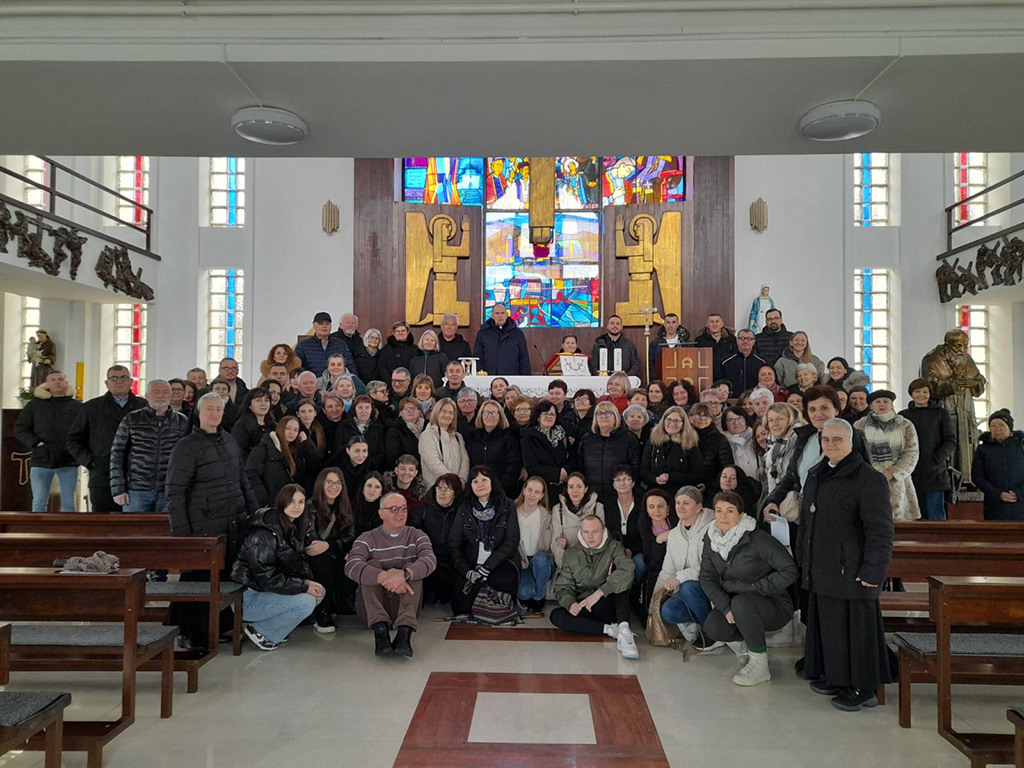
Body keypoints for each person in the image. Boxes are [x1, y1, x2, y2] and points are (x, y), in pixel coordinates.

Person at [799, 419, 894, 711]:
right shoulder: (817, 473)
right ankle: (838, 677)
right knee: (831, 628)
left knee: (857, 631)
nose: (830, 445)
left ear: (851, 442)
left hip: (853, 570)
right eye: (826, 440)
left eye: (837, 440)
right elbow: (808, 522)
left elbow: (880, 531)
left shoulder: (868, 479)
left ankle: (864, 687)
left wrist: (873, 571)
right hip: (823, 567)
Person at [166, 392, 258, 651]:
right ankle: (188, 632)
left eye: (218, 409)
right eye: (209, 409)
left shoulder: (229, 440)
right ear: (199, 412)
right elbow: (175, 492)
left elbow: (242, 480)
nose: (214, 413)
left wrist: (254, 512)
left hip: (232, 521)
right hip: (202, 526)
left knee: (224, 576)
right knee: (197, 579)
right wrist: (183, 534)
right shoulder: (186, 446)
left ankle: (216, 627)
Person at [699, 491, 798, 685]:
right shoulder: (711, 539)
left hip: (772, 604)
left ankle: (760, 664)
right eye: (719, 510)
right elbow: (706, 577)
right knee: (714, 627)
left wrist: (755, 587)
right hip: (737, 604)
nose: (723, 516)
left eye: (730, 510)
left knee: (742, 603)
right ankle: (749, 646)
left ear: (741, 514)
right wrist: (725, 607)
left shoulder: (757, 538)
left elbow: (789, 570)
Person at [345, 491, 437, 657]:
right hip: (371, 610)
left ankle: (404, 635)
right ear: (381, 513)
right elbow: (351, 565)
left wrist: (404, 575)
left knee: (413, 569)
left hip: (405, 607)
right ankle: (381, 633)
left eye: (403, 508)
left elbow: (430, 560)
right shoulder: (367, 538)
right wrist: (383, 576)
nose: (400, 513)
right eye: (394, 509)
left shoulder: (417, 535)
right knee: (371, 565)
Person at [232, 484, 323, 651]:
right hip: (247, 597)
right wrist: (303, 587)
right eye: (291, 501)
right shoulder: (264, 534)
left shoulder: (293, 527)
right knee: (306, 601)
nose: (297, 506)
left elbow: (300, 560)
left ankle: (273, 627)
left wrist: (306, 581)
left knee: (318, 591)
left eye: (301, 502)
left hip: (267, 591)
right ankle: (262, 632)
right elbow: (266, 578)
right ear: (281, 502)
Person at [549, 515, 639, 658]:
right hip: (586, 606)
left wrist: (600, 592)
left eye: (595, 532)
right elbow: (564, 585)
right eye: (586, 532)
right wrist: (570, 603)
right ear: (581, 532)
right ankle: (610, 630)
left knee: (621, 585)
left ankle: (624, 631)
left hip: (608, 603)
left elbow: (627, 570)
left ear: (603, 531)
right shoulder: (571, 553)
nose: (590, 537)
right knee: (556, 615)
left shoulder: (614, 547)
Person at [66, 365, 146, 512]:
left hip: (138, 477)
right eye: (114, 378)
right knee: (103, 520)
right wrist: (91, 462)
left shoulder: (144, 406)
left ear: (131, 381)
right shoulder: (91, 407)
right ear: (106, 383)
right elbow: (74, 439)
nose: (119, 381)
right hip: (102, 475)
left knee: (135, 522)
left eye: (123, 378)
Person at [448, 465, 522, 617]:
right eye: (475, 481)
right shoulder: (464, 508)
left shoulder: (507, 505)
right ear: (470, 486)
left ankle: (486, 598)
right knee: (459, 607)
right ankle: (484, 600)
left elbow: (512, 540)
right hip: (471, 563)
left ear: (492, 482)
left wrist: (487, 567)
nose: (480, 484)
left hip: (500, 563)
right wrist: (467, 571)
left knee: (500, 582)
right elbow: (454, 545)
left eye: (484, 480)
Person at [109, 380, 189, 513]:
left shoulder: (182, 422)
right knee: (134, 526)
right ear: (146, 396)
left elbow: (188, 458)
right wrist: (118, 489)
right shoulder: (132, 419)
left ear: (170, 395)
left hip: (169, 491)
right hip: (137, 490)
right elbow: (117, 454)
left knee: (168, 527)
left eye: (165, 392)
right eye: (155, 392)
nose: (160, 396)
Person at [15, 369, 82, 512]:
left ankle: (68, 527)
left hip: (68, 459)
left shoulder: (77, 406)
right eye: (53, 379)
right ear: (47, 384)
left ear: (66, 383)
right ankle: (37, 527)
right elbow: (21, 428)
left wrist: (77, 449)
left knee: (69, 503)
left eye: (60, 379)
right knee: (39, 502)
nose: (57, 382)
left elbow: (84, 431)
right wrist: (36, 443)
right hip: (41, 459)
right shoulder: (34, 405)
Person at [655, 486, 715, 642]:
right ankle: (708, 621)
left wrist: (680, 577)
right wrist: (654, 603)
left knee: (688, 587)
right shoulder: (674, 534)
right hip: (686, 588)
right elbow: (667, 570)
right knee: (668, 611)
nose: (680, 507)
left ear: (699, 507)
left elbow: (711, 566)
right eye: (678, 503)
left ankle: (710, 632)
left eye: (686, 503)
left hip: (710, 585)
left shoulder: (712, 528)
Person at [853, 390, 921, 522]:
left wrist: (893, 472)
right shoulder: (859, 425)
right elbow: (858, 452)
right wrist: (877, 472)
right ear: (871, 406)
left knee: (900, 523)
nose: (882, 404)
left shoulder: (905, 424)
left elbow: (912, 451)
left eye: (886, 401)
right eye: (877, 402)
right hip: (870, 477)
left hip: (899, 479)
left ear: (892, 405)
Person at [304, 468, 356, 632]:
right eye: (329, 482)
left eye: (338, 483)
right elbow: (311, 540)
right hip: (314, 555)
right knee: (323, 563)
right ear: (321, 483)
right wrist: (327, 547)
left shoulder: (345, 507)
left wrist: (329, 546)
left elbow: (350, 536)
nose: (334, 487)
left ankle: (339, 604)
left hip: (334, 551)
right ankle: (322, 612)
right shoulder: (311, 506)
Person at [246, 415, 321, 508]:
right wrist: (265, 501)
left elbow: (315, 464)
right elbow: (251, 475)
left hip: (293, 504)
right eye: (287, 428)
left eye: (295, 430)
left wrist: (307, 443)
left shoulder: (296, 450)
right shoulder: (264, 448)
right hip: (272, 505)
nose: (291, 432)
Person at [577, 401, 640, 510]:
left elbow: (635, 467)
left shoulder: (629, 439)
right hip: (592, 496)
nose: (603, 417)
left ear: (615, 416)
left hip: (619, 495)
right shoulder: (586, 439)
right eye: (599, 414)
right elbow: (580, 466)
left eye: (608, 413)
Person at [412, 475, 463, 604]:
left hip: (452, 560)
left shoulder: (462, 512)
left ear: (456, 494)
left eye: (447, 489)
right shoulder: (423, 509)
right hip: (427, 558)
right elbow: (414, 535)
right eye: (439, 488)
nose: (442, 493)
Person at [971, 410, 1024, 521]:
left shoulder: (1021, 447)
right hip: (994, 505)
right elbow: (977, 476)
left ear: (1010, 427)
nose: (997, 429)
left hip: (1020, 503)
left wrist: (1019, 493)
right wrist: (998, 494)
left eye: (1001, 425)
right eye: (993, 425)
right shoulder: (983, 449)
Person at [640, 405, 704, 498]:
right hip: (655, 492)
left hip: (681, 494)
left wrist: (671, 477)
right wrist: (654, 479)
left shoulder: (690, 443)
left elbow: (697, 474)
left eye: (676, 421)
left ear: (683, 424)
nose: (672, 423)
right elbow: (643, 469)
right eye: (669, 419)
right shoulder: (653, 441)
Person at [466, 398, 521, 497]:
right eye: (486, 413)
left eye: (494, 413)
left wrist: (497, 487)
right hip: (477, 490)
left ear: (500, 416)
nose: (490, 416)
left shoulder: (509, 437)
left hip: (502, 491)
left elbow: (513, 466)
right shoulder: (472, 436)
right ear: (481, 416)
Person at [519, 398, 570, 503]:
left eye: (552, 414)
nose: (549, 416)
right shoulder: (528, 437)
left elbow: (572, 457)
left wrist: (566, 471)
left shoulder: (562, 434)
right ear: (538, 417)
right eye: (545, 413)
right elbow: (531, 466)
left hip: (563, 488)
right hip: (541, 489)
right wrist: (557, 474)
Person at [516, 477, 555, 612]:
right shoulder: (512, 511)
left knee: (541, 558)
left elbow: (553, 540)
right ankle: (530, 591)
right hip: (523, 562)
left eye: (537, 492)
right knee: (524, 592)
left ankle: (539, 596)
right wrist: (517, 557)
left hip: (542, 561)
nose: (532, 495)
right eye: (530, 490)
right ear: (524, 490)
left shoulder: (547, 515)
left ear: (542, 495)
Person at [636, 489, 679, 609]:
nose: (656, 511)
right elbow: (651, 562)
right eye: (651, 507)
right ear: (647, 510)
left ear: (668, 508)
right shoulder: (644, 525)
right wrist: (659, 541)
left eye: (660, 506)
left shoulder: (678, 522)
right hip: (657, 569)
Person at [551, 472, 605, 567]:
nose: (575, 491)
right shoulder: (558, 510)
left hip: (591, 564)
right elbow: (556, 543)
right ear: (567, 489)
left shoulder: (597, 508)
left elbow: (602, 539)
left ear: (586, 489)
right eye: (571, 487)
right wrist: (565, 566)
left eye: (579, 486)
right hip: (567, 563)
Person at [418, 398, 470, 485]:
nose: (447, 415)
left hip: (458, 487)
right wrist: (452, 482)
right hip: (437, 487)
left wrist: (461, 481)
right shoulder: (427, 435)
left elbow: (465, 460)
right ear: (436, 412)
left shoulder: (458, 437)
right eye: (443, 411)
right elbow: (433, 463)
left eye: (451, 413)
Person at [687, 403, 734, 494]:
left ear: (712, 419)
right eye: (697, 415)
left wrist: (708, 485)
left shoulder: (719, 440)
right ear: (690, 417)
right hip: (684, 487)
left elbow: (727, 468)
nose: (702, 418)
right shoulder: (682, 437)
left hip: (711, 490)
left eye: (706, 415)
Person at [295, 312, 356, 378]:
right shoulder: (303, 346)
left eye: (327, 323)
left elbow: (351, 367)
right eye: (321, 323)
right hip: (313, 382)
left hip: (338, 382)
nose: (324, 326)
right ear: (314, 326)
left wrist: (355, 381)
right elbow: (296, 369)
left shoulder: (341, 344)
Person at [474, 303, 530, 375]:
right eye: (497, 313)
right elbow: (478, 357)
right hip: (489, 376)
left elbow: (524, 358)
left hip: (512, 377)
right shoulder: (483, 334)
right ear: (492, 316)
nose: (500, 316)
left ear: (506, 315)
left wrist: (525, 377)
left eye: (502, 313)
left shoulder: (517, 334)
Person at [608, 466, 644, 578]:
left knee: (640, 564)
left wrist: (631, 550)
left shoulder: (642, 505)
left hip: (637, 550)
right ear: (613, 485)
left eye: (626, 479)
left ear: (633, 483)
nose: (622, 483)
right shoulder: (608, 505)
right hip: (613, 551)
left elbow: (645, 534)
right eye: (618, 480)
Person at [338, 394, 385, 470]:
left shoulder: (378, 428)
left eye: (367, 407)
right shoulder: (343, 426)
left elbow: (380, 453)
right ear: (354, 409)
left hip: (371, 469)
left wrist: (369, 467)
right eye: (360, 407)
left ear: (372, 410)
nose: (364, 411)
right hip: (347, 469)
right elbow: (339, 450)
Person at [231, 387, 276, 461]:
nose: (263, 404)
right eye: (258, 400)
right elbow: (239, 455)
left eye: (266, 400)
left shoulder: (273, 426)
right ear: (249, 405)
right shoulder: (241, 427)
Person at [721, 329, 766, 396]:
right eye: (742, 338)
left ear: (754, 342)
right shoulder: (725, 362)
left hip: (754, 399)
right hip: (732, 399)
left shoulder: (762, 362)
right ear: (737, 340)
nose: (745, 341)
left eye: (749, 339)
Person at [648, 313, 692, 381]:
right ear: (664, 324)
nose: (671, 325)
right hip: (661, 381)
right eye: (668, 322)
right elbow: (651, 365)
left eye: (673, 322)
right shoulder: (655, 344)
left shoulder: (686, 343)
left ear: (678, 324)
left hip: (681, 381)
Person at [694, 313, 738, 380]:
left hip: (728, 375)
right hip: (708, 376)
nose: (714, 324)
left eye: (717, 321)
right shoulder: (700, 341)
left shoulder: (731, 339)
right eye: (711, 322)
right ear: (707, 325)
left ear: (722, 324)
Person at [385, 397, 424, 470]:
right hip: (406, 471)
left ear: (419, 412)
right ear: (401, 413)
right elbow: (392, 457)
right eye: (407, 409)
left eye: (414, 409)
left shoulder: (427, 427)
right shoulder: (394, 430)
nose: (410, 411)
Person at [383, 454, 427, 518]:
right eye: (402, 469)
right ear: (396, 470)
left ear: (415, 473)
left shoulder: (420, 496)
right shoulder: (384, 489)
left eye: (411, 470)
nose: (406, 472)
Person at [724, 407, 760, 479]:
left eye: (739, 418)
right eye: (730, 420)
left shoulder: (757, 437)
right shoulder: (723, 441)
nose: (736, 423)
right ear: (725, 424)